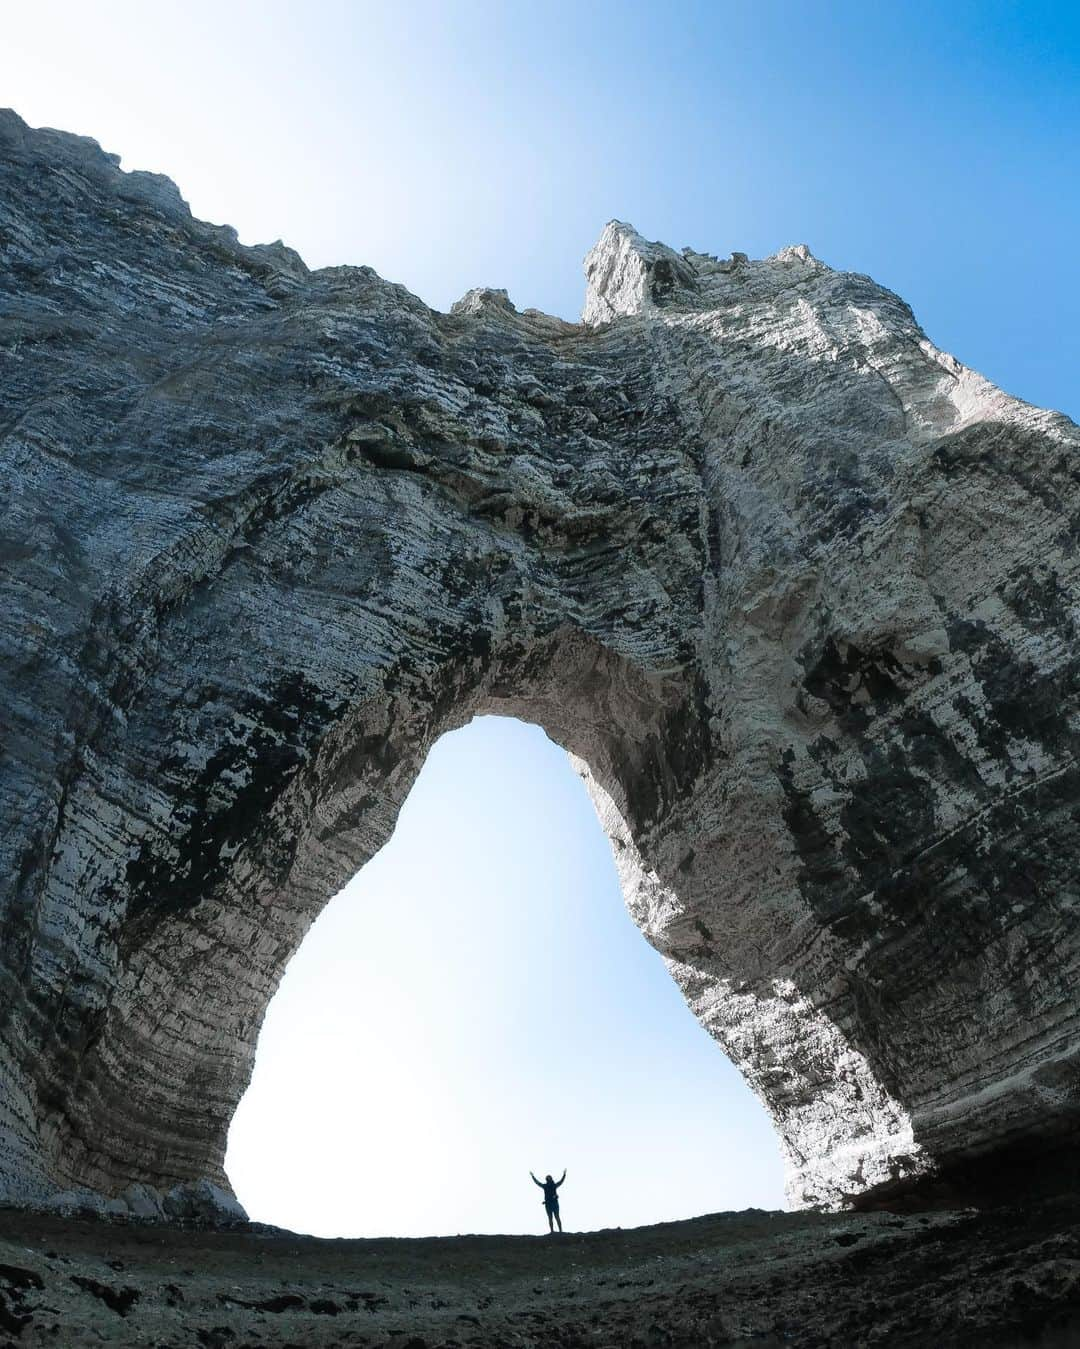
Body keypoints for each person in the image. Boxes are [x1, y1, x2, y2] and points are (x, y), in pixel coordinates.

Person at [530, 1168, 566, 1233]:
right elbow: (537, 1183)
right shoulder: (546, 1186)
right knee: (550, 1218)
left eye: (549, 1178)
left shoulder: (552, 1185)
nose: (549, 1179)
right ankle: (552, 1231)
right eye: (548, 1178)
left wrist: (564, 1175)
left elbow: (561, 1182)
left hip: (554, 1203)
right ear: (547, 1179)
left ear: (551, 1179)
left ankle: (560, 1231)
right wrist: (533, 1176)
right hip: (548, 1204)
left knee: (557, 1217)